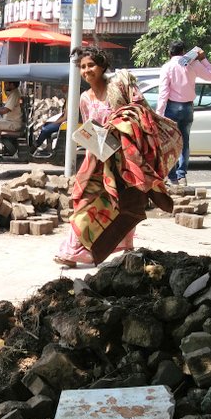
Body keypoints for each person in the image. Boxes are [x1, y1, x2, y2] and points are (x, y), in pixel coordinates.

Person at [54, 58, 181, 268]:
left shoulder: (118, 88)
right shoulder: (84, 98)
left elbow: (139, 116)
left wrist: (120, 127)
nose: (86, 70)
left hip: (124, 162)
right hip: (96, 161)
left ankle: (122, 248)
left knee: (123, 205)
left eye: (90, 65)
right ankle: (72, 251)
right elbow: (90, 126)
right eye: (83, 67)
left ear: (102, 66)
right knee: (84, 203)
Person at [156, 40, 211, 186]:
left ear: (169, 53)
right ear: (183, 52)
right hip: (188, 108)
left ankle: (173, 177)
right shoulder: (193, 64)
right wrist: (203, 59)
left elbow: (163, 93)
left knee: (171, 143)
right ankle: (182, 176)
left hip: (171, 108)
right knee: (185, 142)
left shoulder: (167, 67)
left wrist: (159, 114)